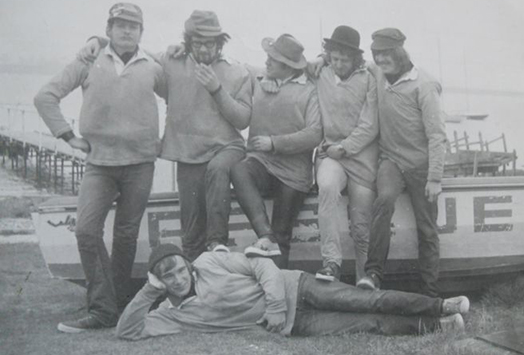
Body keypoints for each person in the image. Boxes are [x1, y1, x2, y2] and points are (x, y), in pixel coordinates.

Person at [34, 3, 167, 332]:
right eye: (119, 25)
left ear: (141, 32)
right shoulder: (88, 59)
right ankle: (102, 308)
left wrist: (168, 139)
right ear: (108, 29)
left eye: (133, 26)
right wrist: (67, 135)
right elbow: (45, 96)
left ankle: (119, 305)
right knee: (86, 231)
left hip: (140, 165)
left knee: (125, 236)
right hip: (99, 164)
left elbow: (179, 96)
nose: (126, 31)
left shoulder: (153, 65)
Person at [78, 10, 253, 261]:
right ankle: (194, 290)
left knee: (217, 178)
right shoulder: (170, 62)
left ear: (220, 42)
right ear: (188, 41)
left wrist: (216, 89)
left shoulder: (236, 70)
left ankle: (218, 246)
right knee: (191, 235)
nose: (204, 49)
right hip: (187, 155)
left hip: (224, 149)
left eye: (210, 43)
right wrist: (97, 40)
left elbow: (243, 120)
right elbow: (129, 48)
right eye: (198, 42)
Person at [116, 243, 470, 340]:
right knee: (369, 324)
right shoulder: (171, 315)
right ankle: (440, 326)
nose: (178, 278)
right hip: (294, 325)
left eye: (179, 269)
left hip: (295, 286)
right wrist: (149, 291)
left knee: (370, 298)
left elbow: (261, 264)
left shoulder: (209, 262)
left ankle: (440, 305)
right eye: (168, 277)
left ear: (187, 265)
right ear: (160, 280)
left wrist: (273, 305)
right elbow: (127, 331)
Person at [355, 28, 448, 297]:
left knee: (427, 227)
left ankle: (429, 291)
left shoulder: (425, 85)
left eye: (386, 54)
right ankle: (373, 274)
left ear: (400, 53)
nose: (381, 60)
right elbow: (361, 63)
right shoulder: (379, 73)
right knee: (383, 201)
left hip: (421, 166)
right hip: (391, 161)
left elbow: (437, 135)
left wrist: (435, 178)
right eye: (377, 54)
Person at [230, 34, 322, 269]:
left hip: (294, 174)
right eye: (268, 58)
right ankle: (265, 236)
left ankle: (278, 294)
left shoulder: (310, 91)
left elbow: (315, 134)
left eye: (273, 59)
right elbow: (233, 65)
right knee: (239, 171)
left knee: (283, 234)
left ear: (288, 67)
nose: (267, 62)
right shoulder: (259, 77)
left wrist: (275, 143)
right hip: (261, 164)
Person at [312, 25, 378, 282]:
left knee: (361, 226)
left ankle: (366, 280)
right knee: (326, 185)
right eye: (334, 58)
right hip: (332, 155)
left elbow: (370, 124)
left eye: (344, 59)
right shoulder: (321, 73)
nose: (338, 64)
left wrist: (346, 147)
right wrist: (318, 60)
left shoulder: (369, 78)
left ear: (356, 59)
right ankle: (331, 262)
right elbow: (283, 66)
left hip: (361, 159)